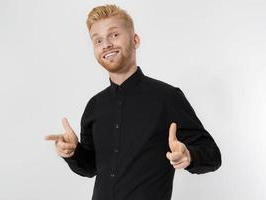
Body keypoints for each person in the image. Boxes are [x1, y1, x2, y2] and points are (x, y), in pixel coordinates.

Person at [45, 4, 221, 200]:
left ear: (135, 40)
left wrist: (189, 156)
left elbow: (212, 155)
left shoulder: (167, 98)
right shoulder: (94, 106)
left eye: (114, 35)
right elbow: (90, 168)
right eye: (98, 40)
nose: (106, 44)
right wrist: (73, 152)